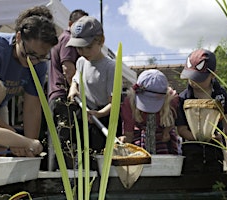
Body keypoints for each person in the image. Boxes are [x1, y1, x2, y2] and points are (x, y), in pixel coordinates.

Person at [0, 6, 58, 156]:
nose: (34, 61)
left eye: (41, 57)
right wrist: (18, 139)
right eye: (29, 54)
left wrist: (29, 147)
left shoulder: (38, 63)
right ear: (18, 37)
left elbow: (32, 108)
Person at [66, 16, 122, 169]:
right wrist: (73, 87)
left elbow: (114, 103)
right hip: (85, 114)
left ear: (101, 40)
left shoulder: (111, 67)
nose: (83, 52)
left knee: (100, 160)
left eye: (88, 47)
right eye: (79, 48)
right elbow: (76, 79)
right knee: (83, 156)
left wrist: (99, 114)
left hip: (103, 117)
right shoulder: (81, 62)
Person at [176, 49, 227, 174]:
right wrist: (204, 138)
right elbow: (181, 130)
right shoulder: (183, 98)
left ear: (213, 75)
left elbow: (226, 123)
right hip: (191, 151)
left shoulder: (220, 95)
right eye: (191, 78)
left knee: (215, 180)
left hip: (215, 149)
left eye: (199, 78)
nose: (194, 82)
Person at [48, 9, 88, 170]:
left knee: (57, 144)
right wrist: (78, 91)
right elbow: (68, 69)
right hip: (64, 96)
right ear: (71, 25)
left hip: (55, 95)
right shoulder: (69, 39)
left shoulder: (61, 39)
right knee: (66, 145)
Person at [120, 69, 180, 155]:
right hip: (139, 134)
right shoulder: (129, 102)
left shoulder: (172, 100)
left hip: (162, 132)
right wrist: (124, 141)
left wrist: (166, 131)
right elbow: (129, 133)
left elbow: (170, 121)